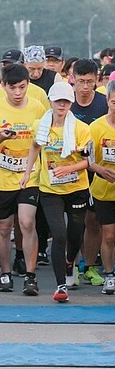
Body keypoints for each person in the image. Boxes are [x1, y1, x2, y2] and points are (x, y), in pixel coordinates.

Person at [20, 82, 92, 303]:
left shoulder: (81, 128)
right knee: (59, 235)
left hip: (76, 188)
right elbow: (35, 146)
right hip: (50, 189)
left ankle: (70, 262)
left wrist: (68, 168)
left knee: (75, 236)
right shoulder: (39, 125)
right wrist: (27, 171)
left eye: (66, 101)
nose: (62, 105)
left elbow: (88, 160)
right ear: (50, 101)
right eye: (58, 100)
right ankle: (61, 286)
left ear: (71, 103)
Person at [0, 64, 46, 295]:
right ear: (3, 86)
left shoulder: (39, 107)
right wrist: (0, 137)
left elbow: (45, 140)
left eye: (22, 87)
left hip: (30, 176)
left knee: (27, 222)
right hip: (1, 177)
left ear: (28, 85)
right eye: (13, 88)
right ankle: (6, 273)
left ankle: (30, 276)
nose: (18, 93)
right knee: (3, 226)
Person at [70, 58, 108, 287]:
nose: (85, 87)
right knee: (74, 223)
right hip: (70, 171)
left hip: (99, 171)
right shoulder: (65, 104)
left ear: (96, 81)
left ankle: (91, 267)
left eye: (89, 82)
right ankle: (71, 267)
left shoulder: (104, 104)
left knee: (93, 221)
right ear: (72, 80)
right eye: (81, 81)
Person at [89, 80, 115, 294]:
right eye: (114, 102)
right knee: (108, 235)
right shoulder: (96, 127)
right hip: (104, 190)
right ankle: (108, 274)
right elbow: (87, 160)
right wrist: (101, 170)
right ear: (107, 101)